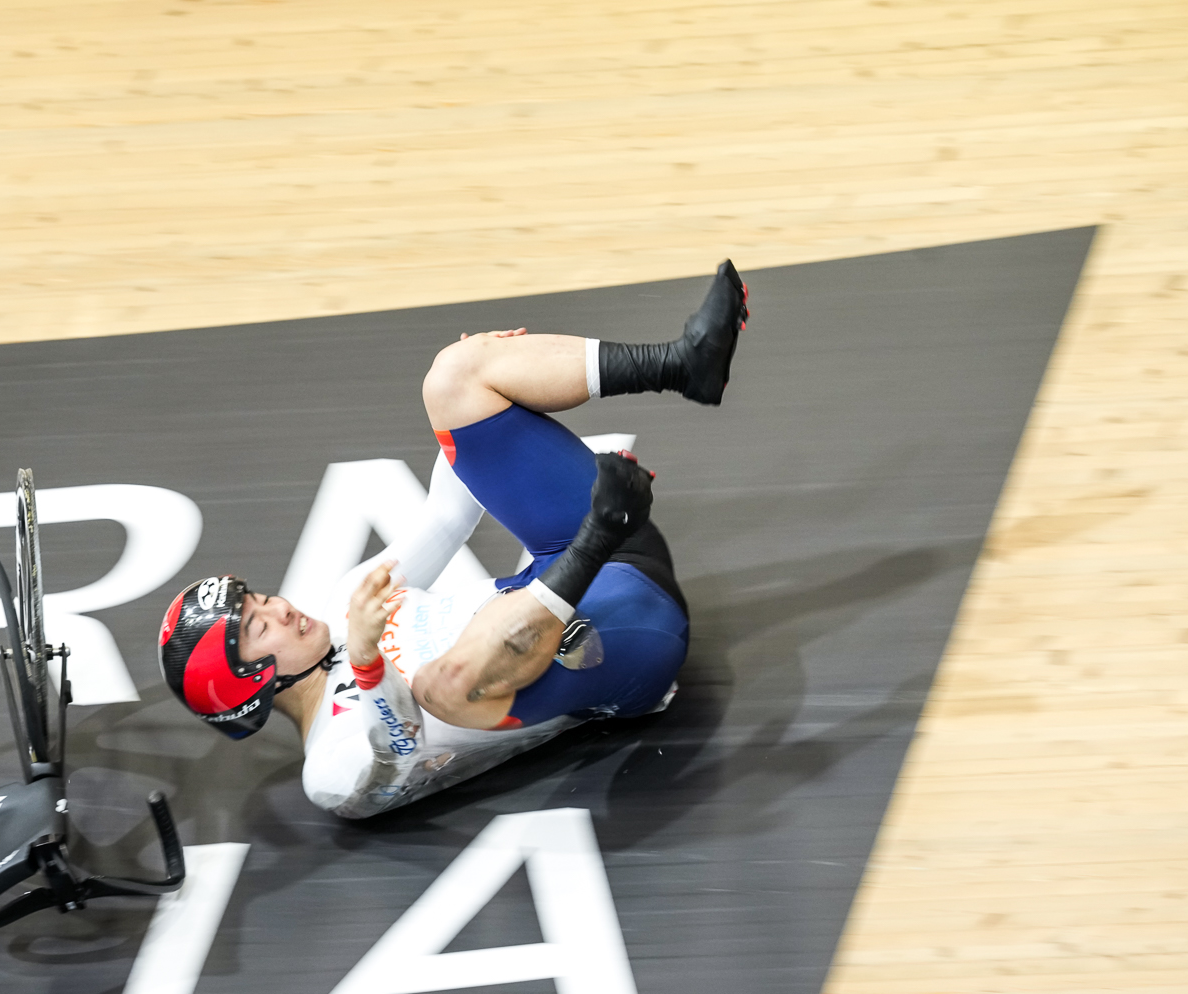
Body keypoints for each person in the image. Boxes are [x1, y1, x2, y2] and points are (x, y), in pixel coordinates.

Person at [158, 261, 748, 818]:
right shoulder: (330, 770)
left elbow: (446, 518)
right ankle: (597, 535)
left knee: (452, 378)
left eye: (262, 600)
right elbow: (397, 754)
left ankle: (682, 363)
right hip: (624, 640)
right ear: (252, 686)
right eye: (261, 627)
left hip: (594, 558)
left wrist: (483, 398)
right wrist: (364, 660)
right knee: (439, 686)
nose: (282, 608)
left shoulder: (346, 604)